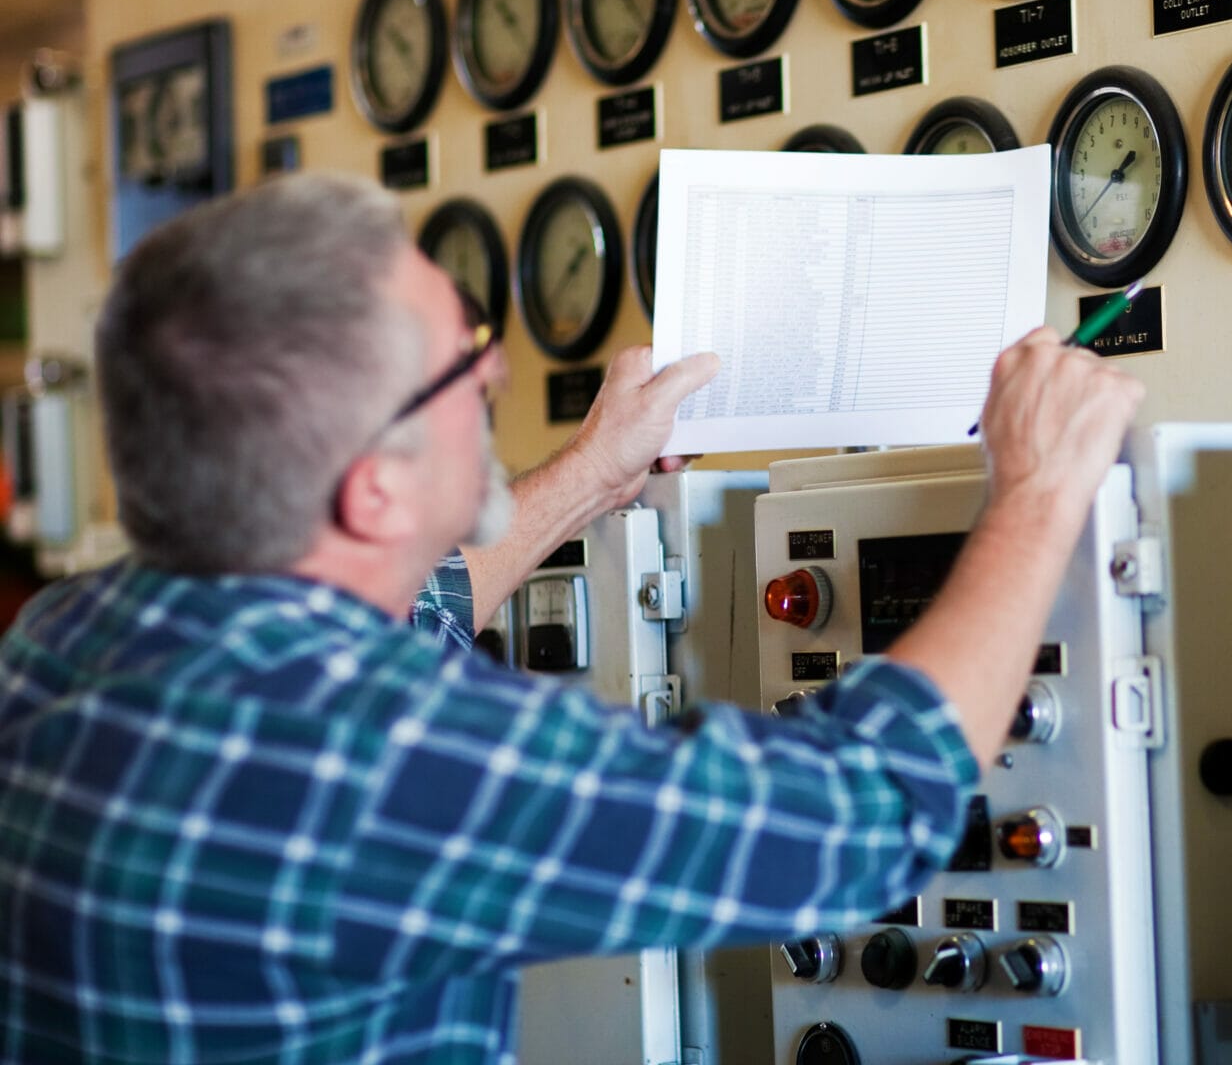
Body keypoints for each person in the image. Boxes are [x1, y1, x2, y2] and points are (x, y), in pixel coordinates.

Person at [0, 172, 1143, 1063]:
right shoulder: (394, 755)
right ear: (372, 489)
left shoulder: (57, 642)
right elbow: (865, 813)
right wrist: (1040, 489)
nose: (496, 374)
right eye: (466, 373)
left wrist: (595, 478)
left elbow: (390, 620)